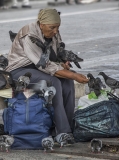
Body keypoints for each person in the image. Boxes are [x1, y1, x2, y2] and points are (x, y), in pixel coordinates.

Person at [5, 8, 89, 144]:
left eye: (58, 27)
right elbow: (44, 65)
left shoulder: (53, 32)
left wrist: (63, 64)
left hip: (40, 68)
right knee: (53, 82)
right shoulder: (29, 35)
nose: (55, 31)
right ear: (41, 24)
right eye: (52, 28)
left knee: (67, 83)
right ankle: (62, 131)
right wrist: (74, 75)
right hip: (20, 71)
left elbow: (54, 56)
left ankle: (68, 129)